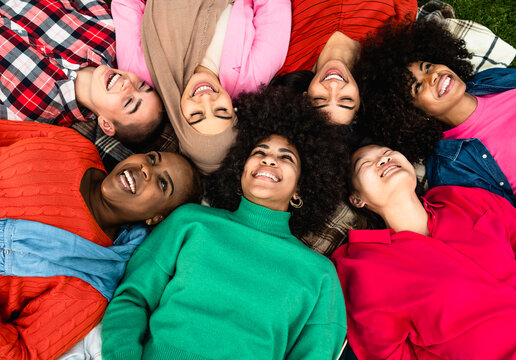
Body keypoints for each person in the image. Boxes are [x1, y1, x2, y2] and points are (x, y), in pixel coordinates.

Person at [101, 87, 348, 359]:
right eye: (259, 152)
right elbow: (132, 297)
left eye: (286, 157)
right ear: (240, 170)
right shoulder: (190, 220)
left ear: (300, 190)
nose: (269, 159)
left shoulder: (320, 275)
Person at [0, 119, 201, 359]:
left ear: (155, 219)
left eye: (162, 183)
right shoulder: (76, 146)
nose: (146, 168)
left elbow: (21, 352)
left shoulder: (89, 286)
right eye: (152, 158)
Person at [332, 142, 516, 359]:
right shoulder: (365, 266)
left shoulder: (468, 199)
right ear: (357, 199)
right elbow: (389, 354)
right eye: (365, 163)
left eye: (387, 152)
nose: (383, 159)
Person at [356, 21, 516, 207]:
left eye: (427, 67)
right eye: (418, 87)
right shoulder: (452, 167)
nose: (432, 76)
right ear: (415, 114)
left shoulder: (492, 79)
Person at [111, 0, 291, 173]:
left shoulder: (141, 77)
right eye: (221, 111)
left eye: (196, 115)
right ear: (234, 110)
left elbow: (126, 5)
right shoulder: (253, 78)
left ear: (180, 121)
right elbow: (274, 7)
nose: (206, 99)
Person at [0, 0, 166, 171]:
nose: (128, 84)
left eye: (129, 102)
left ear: (106, 124)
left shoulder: (31, 113)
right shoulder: (106, 31)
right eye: (141, 85)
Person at [270, 0, 417, 125]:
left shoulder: (284, 57)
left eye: (320, 99)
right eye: (346, 99)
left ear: (304, 97)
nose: (334, 85)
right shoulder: (390, 43)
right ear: (361, 100)